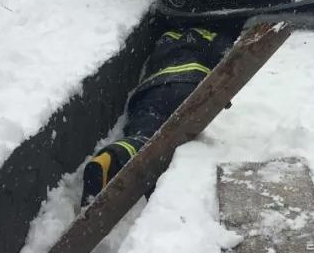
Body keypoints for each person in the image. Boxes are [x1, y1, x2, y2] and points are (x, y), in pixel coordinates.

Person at [81, 24, 239, 208]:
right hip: (188, 86)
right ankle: (160, 198)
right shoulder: (213, 35)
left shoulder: (166, 36)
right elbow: (227, 61)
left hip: (150, 92)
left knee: (145, 136)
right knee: (169, 144)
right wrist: (222, 92)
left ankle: (112, 156)